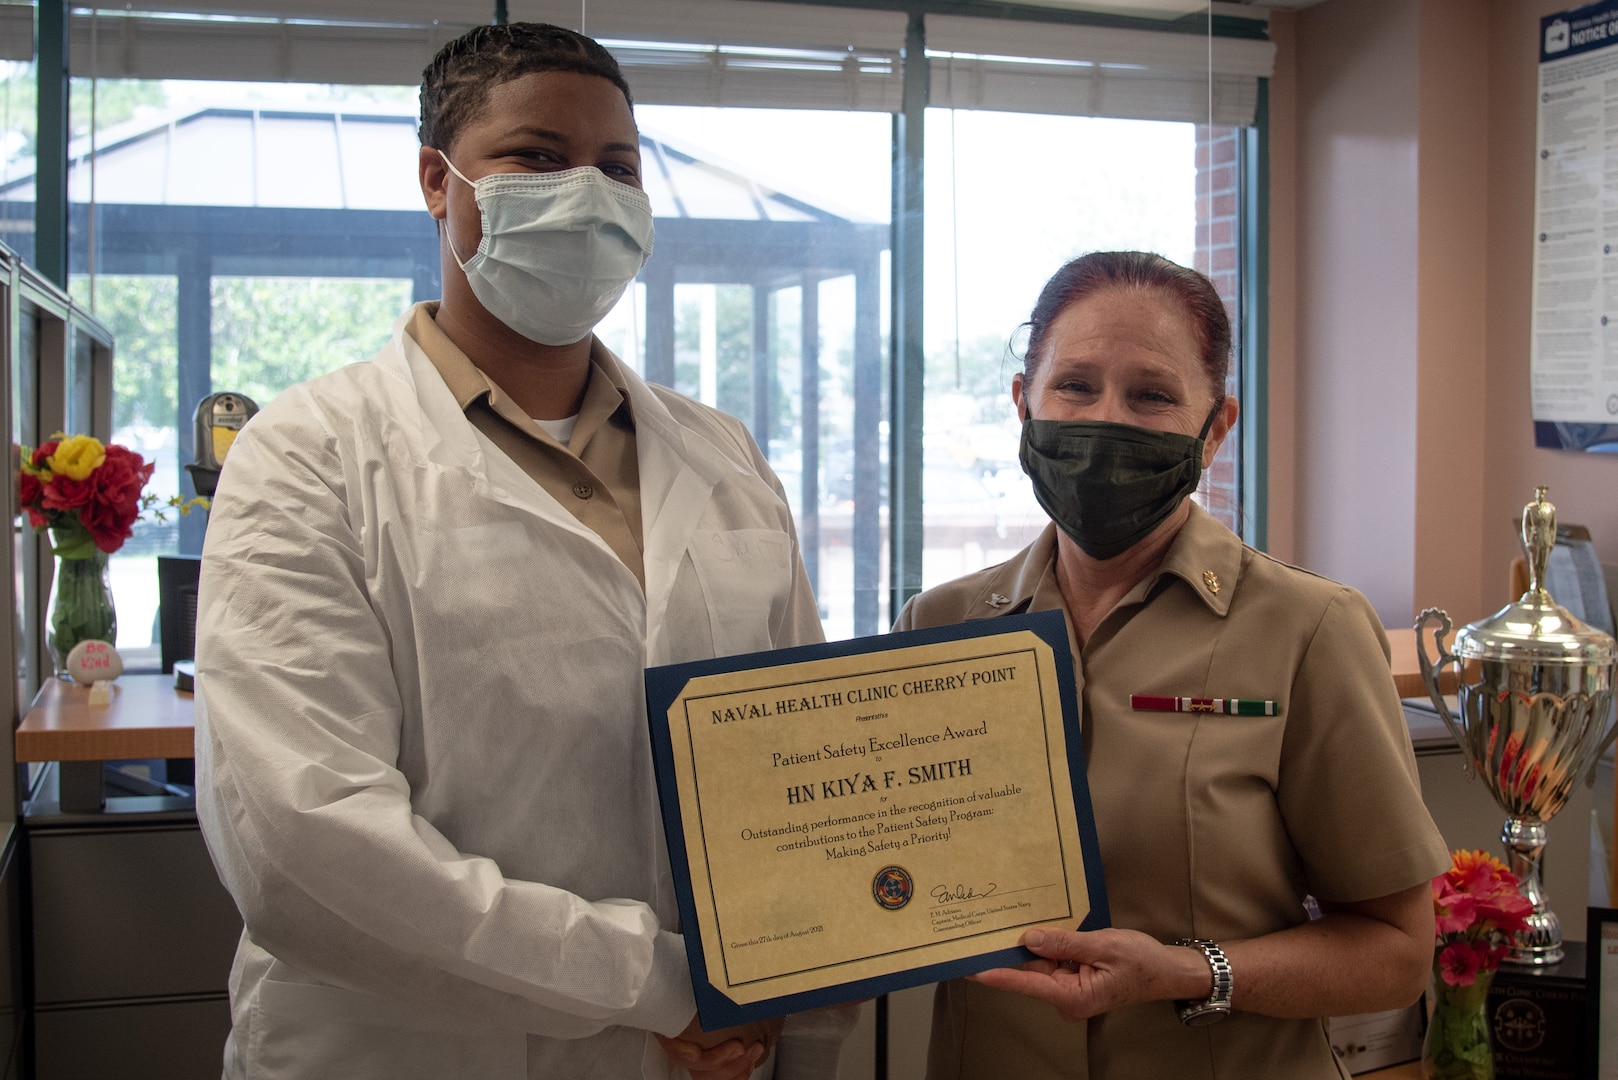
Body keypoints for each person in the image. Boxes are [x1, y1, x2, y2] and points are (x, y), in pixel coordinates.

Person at [194, 23, 852, 1080]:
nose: (585, 193)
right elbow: (303, 843)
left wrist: (788, 982)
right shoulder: (309, 455)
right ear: (436, 181)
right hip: (411, 1052)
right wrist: (657, 983)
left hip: (708, 1048)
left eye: (617, 168)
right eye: (537, 157)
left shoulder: (721, 455)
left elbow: (801, 754)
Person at [895, 251, 1447, 1079]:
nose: (1104, 419)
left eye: (1151, 395)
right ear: (1023, 403)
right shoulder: (938, 623)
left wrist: (1189, 972)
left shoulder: (1309, 629)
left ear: (1215, 428)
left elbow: (1398, 953)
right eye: (1074, 385)